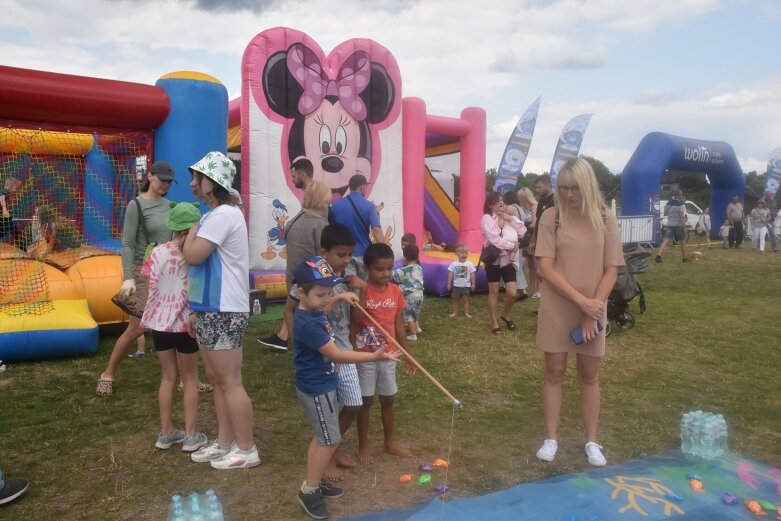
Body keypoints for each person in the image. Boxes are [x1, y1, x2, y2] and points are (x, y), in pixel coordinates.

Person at [291, 255, 401, 520]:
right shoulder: (307, 322)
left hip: (323, 383)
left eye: (330, 293)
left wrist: (339, 299)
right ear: (301, 293)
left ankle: (315, 481)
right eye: (321, 294)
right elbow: (338, 355)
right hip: (317, 388)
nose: (326, 298)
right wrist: (375, 357)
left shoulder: (313, 311)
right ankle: (310, 490)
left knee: (324, 437)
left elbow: (323, 311)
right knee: (329, 439)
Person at [533, 158, 623, 467]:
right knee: (554, 372)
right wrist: (580, 302)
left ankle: (592, 440)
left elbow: (611, 270)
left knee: (590, 375)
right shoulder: (551, 216)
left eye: (574, 187)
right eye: (563, 187)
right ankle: (551, 437)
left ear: (587, 185)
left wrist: (592, 308)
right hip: (558, 306)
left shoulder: (605, 218)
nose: (569, 194)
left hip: (594, 307)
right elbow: (545, 267)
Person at [182, 151, 259, 470]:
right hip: (213, 307)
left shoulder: (221, 216)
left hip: (225, 308)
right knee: (216, 378)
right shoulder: (220, 214)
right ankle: (225, 442)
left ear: (210, 184)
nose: (192, 184)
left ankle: (246, 448)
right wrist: (195, 310)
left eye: (196, 178)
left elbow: (194, 256)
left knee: (229, 380)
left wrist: (188, 230)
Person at [285, 224, 365, 482]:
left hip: (341, 346)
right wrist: (296, 341)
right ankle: (326, 454)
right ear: (324, 252)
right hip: (325, 353)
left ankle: (332, 445)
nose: (346, 260)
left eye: (350, 254)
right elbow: (293, 311)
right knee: (326, 414)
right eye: (341, 255)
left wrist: (351, 293)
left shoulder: (348, 275)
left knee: (352, 404)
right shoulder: (309, 278)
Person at [97, 161, 176, 396]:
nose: (165, 184)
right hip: (144, 273)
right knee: (137, 328)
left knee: (175, 327)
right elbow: (128, 243)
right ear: (149, 176)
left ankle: (183, 380)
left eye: (169, 181)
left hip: (169, 273)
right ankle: (108, 374)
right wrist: (128, 277)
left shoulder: (172, 206)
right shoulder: (136, 205)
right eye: (162, 179)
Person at [139, 202, 208, 453]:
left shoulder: (157, 252)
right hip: (186, 325)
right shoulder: (197, 256)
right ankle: (190, 436)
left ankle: (166, 432)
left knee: (168, 377)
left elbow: (149, 283)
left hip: (159, 324)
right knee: (190, 378)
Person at [352, 243, 416, 464]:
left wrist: (408, 354)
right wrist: (361, 293)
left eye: (389, 268)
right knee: (365, 401)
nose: (385, 274)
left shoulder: (396, 291)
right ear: (367, 268)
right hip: (366, 356)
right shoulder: (362, 291)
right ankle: (363, 446)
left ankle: (390, 442)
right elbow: (355, 321)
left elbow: (398, 324)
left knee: (388, 399)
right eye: (379, 269)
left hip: (389, 354)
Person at [259, 180, 330, 352]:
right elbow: (321, 258)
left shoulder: (293, 221)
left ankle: (292, 341)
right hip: (310, 280)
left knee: (295, 312)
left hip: (293, 275)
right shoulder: (320, 225)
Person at [481, 192, 526, 334]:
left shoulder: (507, 217)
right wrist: (511, 245)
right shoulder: (487, 218)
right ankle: (494, 323)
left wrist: (510, 219)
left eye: (501, 200)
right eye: (496, 201)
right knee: (493, 292)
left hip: (509, 260)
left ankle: (506, 315)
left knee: (512, 293)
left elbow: (523, 231)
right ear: (490, 204)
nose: (500, 203)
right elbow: (494, 238)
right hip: (494, 259)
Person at [329, 174, 384, 280]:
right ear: (363, 186)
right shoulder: (370, 206)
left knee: (348, 287)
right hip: (363, 253)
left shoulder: (335, 206)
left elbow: (332, 229)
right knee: (365, 287)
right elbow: (376, 230)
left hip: (344, 255)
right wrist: (384, 251)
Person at [392, 244, 425, 341]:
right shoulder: (419, 268)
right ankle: (417, 328)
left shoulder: (403, 270)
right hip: (420, 294)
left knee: (409, 315)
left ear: (405, 257)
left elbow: (393, 275)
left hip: (410, 296)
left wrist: (404, 265)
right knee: (415, 313)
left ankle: (413, 335)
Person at [503, 190, 530, 299]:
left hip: (511, 238)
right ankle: (522, 290)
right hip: (518, 239)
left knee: (513, 267)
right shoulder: (520, 209)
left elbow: (506, 220)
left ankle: (517, 291)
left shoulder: (510, 208)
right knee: (517, 266)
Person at [655, 189, 688, 263]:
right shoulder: (681, 204)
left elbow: (665, 213)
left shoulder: (668, 203)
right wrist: (684, 227)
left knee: (665, 240)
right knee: (682, 241)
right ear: (679, 195)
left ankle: (658, 255)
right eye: (681, 194)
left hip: (669, 224)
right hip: (678, 225)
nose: (682, 196)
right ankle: (685, 258)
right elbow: (682, 216)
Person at [517, 187, 539, 297]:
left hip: (533, 236)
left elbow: (534, 224)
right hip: (526, 236)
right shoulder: (523, 208)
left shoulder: (534, 207)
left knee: (535, 264)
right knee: (530, 265)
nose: (520, 199)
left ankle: (537, 289)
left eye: (521, 197)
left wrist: (523, 225)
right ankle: (532, 288)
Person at [447, 243, 476, 318]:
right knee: (455, 299)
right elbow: (451, 274)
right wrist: (449, 283)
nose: (464, 254)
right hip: (456, 285)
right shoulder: (454, 264)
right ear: (457, 253)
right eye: (462, 253)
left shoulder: (469, 264)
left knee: (465, 300)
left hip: (466, 286)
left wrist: (473, 284)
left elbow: (472, 275)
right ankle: (454, 312)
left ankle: (466, 313)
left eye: (466, 253)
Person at [0, 177, 22, 244]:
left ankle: (20, 244)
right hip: (3, 215)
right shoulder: (5, 191)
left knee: (12, 228)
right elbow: (2, 196)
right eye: (16, 188)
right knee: (12, 228)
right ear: (11, 186)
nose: (16, 191)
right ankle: (21, 245)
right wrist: (4, 209)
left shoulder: (6, 192)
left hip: (3, 217)